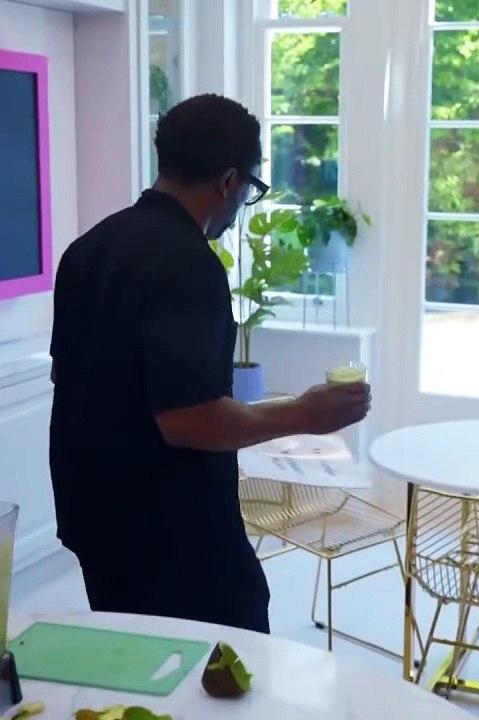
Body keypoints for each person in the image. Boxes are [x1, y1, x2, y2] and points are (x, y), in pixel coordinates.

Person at [48, 94, 371, 634]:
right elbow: (189, 420)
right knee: (229, 654)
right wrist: (304, 414)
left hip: (92, 512)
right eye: (250, 190)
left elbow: (68, 376)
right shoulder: (188, 263)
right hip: (167, 528)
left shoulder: (87, 249)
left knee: (136, 656)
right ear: (228, 181)